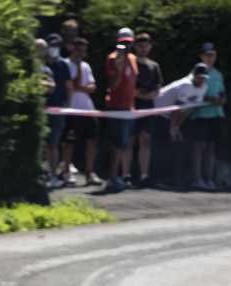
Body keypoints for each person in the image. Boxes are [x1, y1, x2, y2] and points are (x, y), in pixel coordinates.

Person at [60, 37, 101, 186]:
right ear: (72, 49)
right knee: (69, 142)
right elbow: (71, 85)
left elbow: (92, 87)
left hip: (87, 109)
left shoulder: (86, 66)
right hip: (71, 108)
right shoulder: (64, 64)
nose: (81, 53)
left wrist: (81, 87)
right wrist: (81, 86)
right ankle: (66, 171)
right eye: (78, 50)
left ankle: (90, 173)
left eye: (84, 51)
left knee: (92, 140)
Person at [188, 42, 227, 190]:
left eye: (212, 55)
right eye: (207, 55)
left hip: (216, 114)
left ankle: (209, 179)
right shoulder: (195, 72)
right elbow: (192, 95)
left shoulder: (218, 74)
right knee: (199, 147)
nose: (210, 58)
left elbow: (222, 92)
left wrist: (221, 100)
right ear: (201, 57)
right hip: (200, 114)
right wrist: (210, 100)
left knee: (211, 147)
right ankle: (197, 179)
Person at [103, 29, 138, 193]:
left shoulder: (133, 58)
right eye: (122, 43)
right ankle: (112, 177)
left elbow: (132, 83)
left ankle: (122, 175)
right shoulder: (112, 59)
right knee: (116, 143)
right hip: (116, 107)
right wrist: (118, 67)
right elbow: (113, 85)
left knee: (125, 143)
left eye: (128, 43)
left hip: (128, 107)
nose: (126, 46)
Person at [131, 32, 164, 187]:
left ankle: (144, 175)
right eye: (140, 45)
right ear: (135, 47)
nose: (143, 48)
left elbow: (158, 88)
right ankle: (126, 173)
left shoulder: (154, 65)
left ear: (150, 47)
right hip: (131, 104)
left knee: (145, 139)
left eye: (146, 45)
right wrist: (138, 94)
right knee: (130, 139)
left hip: (148, 106)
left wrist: (149, 95)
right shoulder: (130, 63)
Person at [41, 34, 73, 188]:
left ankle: (53, 174)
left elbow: (68, 87)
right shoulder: (42, 65)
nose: (54, 49)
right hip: (42, 109)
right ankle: (43, 173)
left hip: (58, 109)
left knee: (53, 144)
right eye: (52, 46)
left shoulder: (63, 65)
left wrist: (68, 105)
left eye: (57, 46)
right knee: (42, 144)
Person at [156, 64, 210, 146]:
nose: (201, 80)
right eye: (199, 77)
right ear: (194, 76)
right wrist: (172, 128)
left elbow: (189, 109)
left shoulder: (204, 87)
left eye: (204, 78)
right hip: (156, 110)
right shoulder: (186, 85)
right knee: (160, 143)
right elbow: (177, 108)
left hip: (168, 115)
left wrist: (176, 126)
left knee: (171, 143)